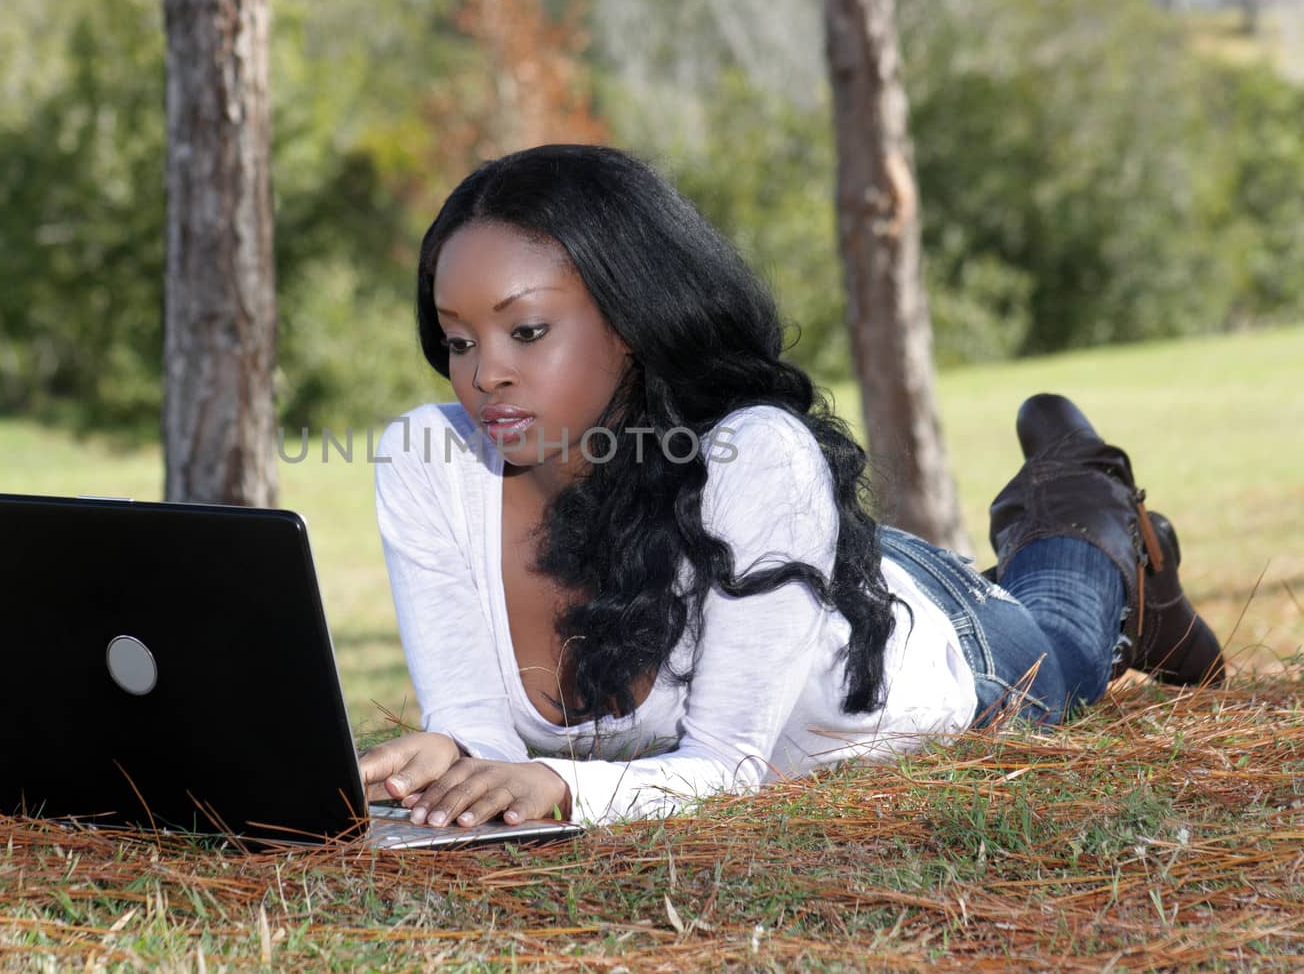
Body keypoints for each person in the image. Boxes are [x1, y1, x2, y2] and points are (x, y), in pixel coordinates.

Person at [356, 144, 1225, 829]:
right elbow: (477, 731)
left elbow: (728, 769)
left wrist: (560, 784)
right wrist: (446, 757)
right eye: (459, 340)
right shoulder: (429, 458)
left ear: (632, 322)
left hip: (933, 640)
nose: (485, 374)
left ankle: (1085, 505)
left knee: (1067, 648)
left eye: (527, 330)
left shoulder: (758, 459)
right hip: (794, 570)